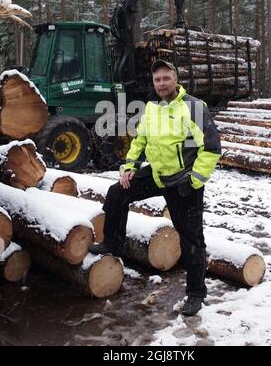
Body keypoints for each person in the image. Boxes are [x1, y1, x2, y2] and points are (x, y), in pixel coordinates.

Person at [90, 60, 222, 316]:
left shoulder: (193, 107)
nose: (161, 84)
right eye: (157, 80)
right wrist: (129, 166)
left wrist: (194, 180)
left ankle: (196, 293)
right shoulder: (151, 108)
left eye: (166, 78)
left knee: (192, 239)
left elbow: (212, 148)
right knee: (117, 192)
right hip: (158, 174)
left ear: (175, 79)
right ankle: (114, 244)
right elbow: (140, 140)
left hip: (184, 181)